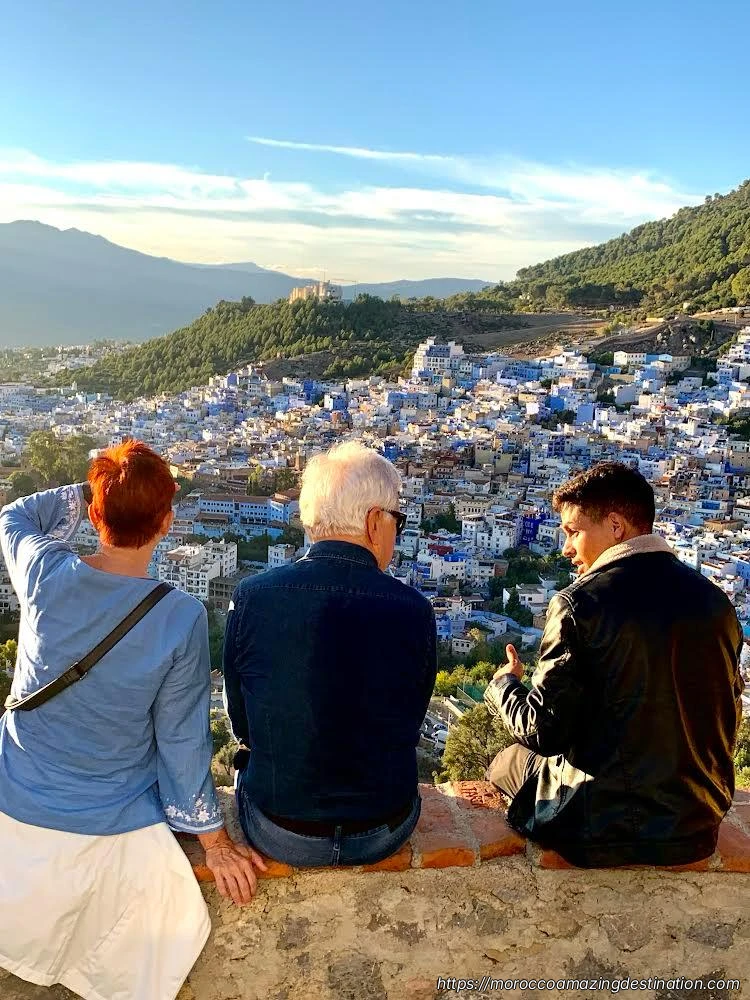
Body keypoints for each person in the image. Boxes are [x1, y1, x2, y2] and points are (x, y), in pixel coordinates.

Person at [0, 441, 266, 1000]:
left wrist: (96, 492)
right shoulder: (179, 615)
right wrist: (214, 841)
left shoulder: (46, 573)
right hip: (107, 816)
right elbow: (181, 739)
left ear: (95, 516)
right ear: (167, 522)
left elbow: (15, 515)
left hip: (13, 794)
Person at [485, 462, 744, 868]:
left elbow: (544, 731)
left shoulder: (578, 604)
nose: (566, 548)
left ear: (616, 526)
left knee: (507, 762)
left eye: (573, 532)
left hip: (597, 827)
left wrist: (504, 686)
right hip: (695, 821)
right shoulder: (717, 604)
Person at [223, 441, 437, 867]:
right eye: (398, 519)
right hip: (383, 827)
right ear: (376, 521)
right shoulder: (414, 610)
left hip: (280, 830)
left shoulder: (253, 597)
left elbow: (241, 722)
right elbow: (410, 720)